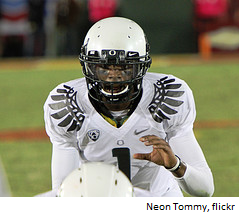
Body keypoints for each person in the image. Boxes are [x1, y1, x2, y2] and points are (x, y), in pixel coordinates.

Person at [43, 17, 214, 197]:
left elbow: (204, 189)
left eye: (124, 68)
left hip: (157, 200)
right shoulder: (67, 104)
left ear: (141, 67)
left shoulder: (167, 96)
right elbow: (62, 193)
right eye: (104, 67)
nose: (113, 76)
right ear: (89, 66)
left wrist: (175, 165)